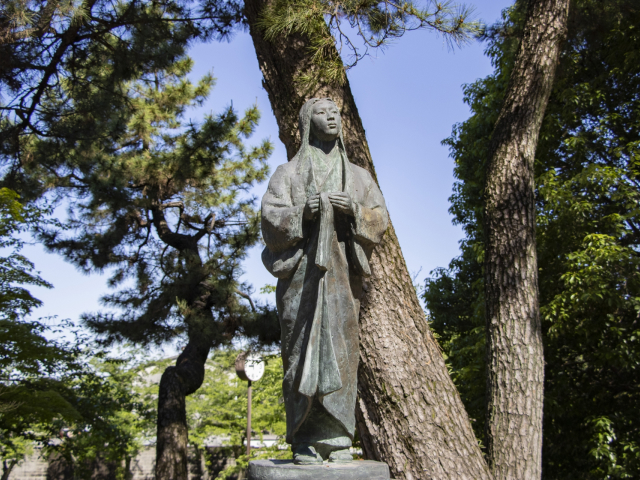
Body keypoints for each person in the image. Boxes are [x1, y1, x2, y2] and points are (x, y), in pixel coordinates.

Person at [261, 98, 388, 465]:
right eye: (321, 112)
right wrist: (304, 212)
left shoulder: (360, 176)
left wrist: (355, 211)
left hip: (343, 280)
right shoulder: (287, 173)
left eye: (335, 112)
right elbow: (270, 220)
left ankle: (338, 438)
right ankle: (304, 438)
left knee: (344, 355)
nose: (331, 116)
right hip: (301, 280)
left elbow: (380, 219)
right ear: (306, 122)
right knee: (300, 354)